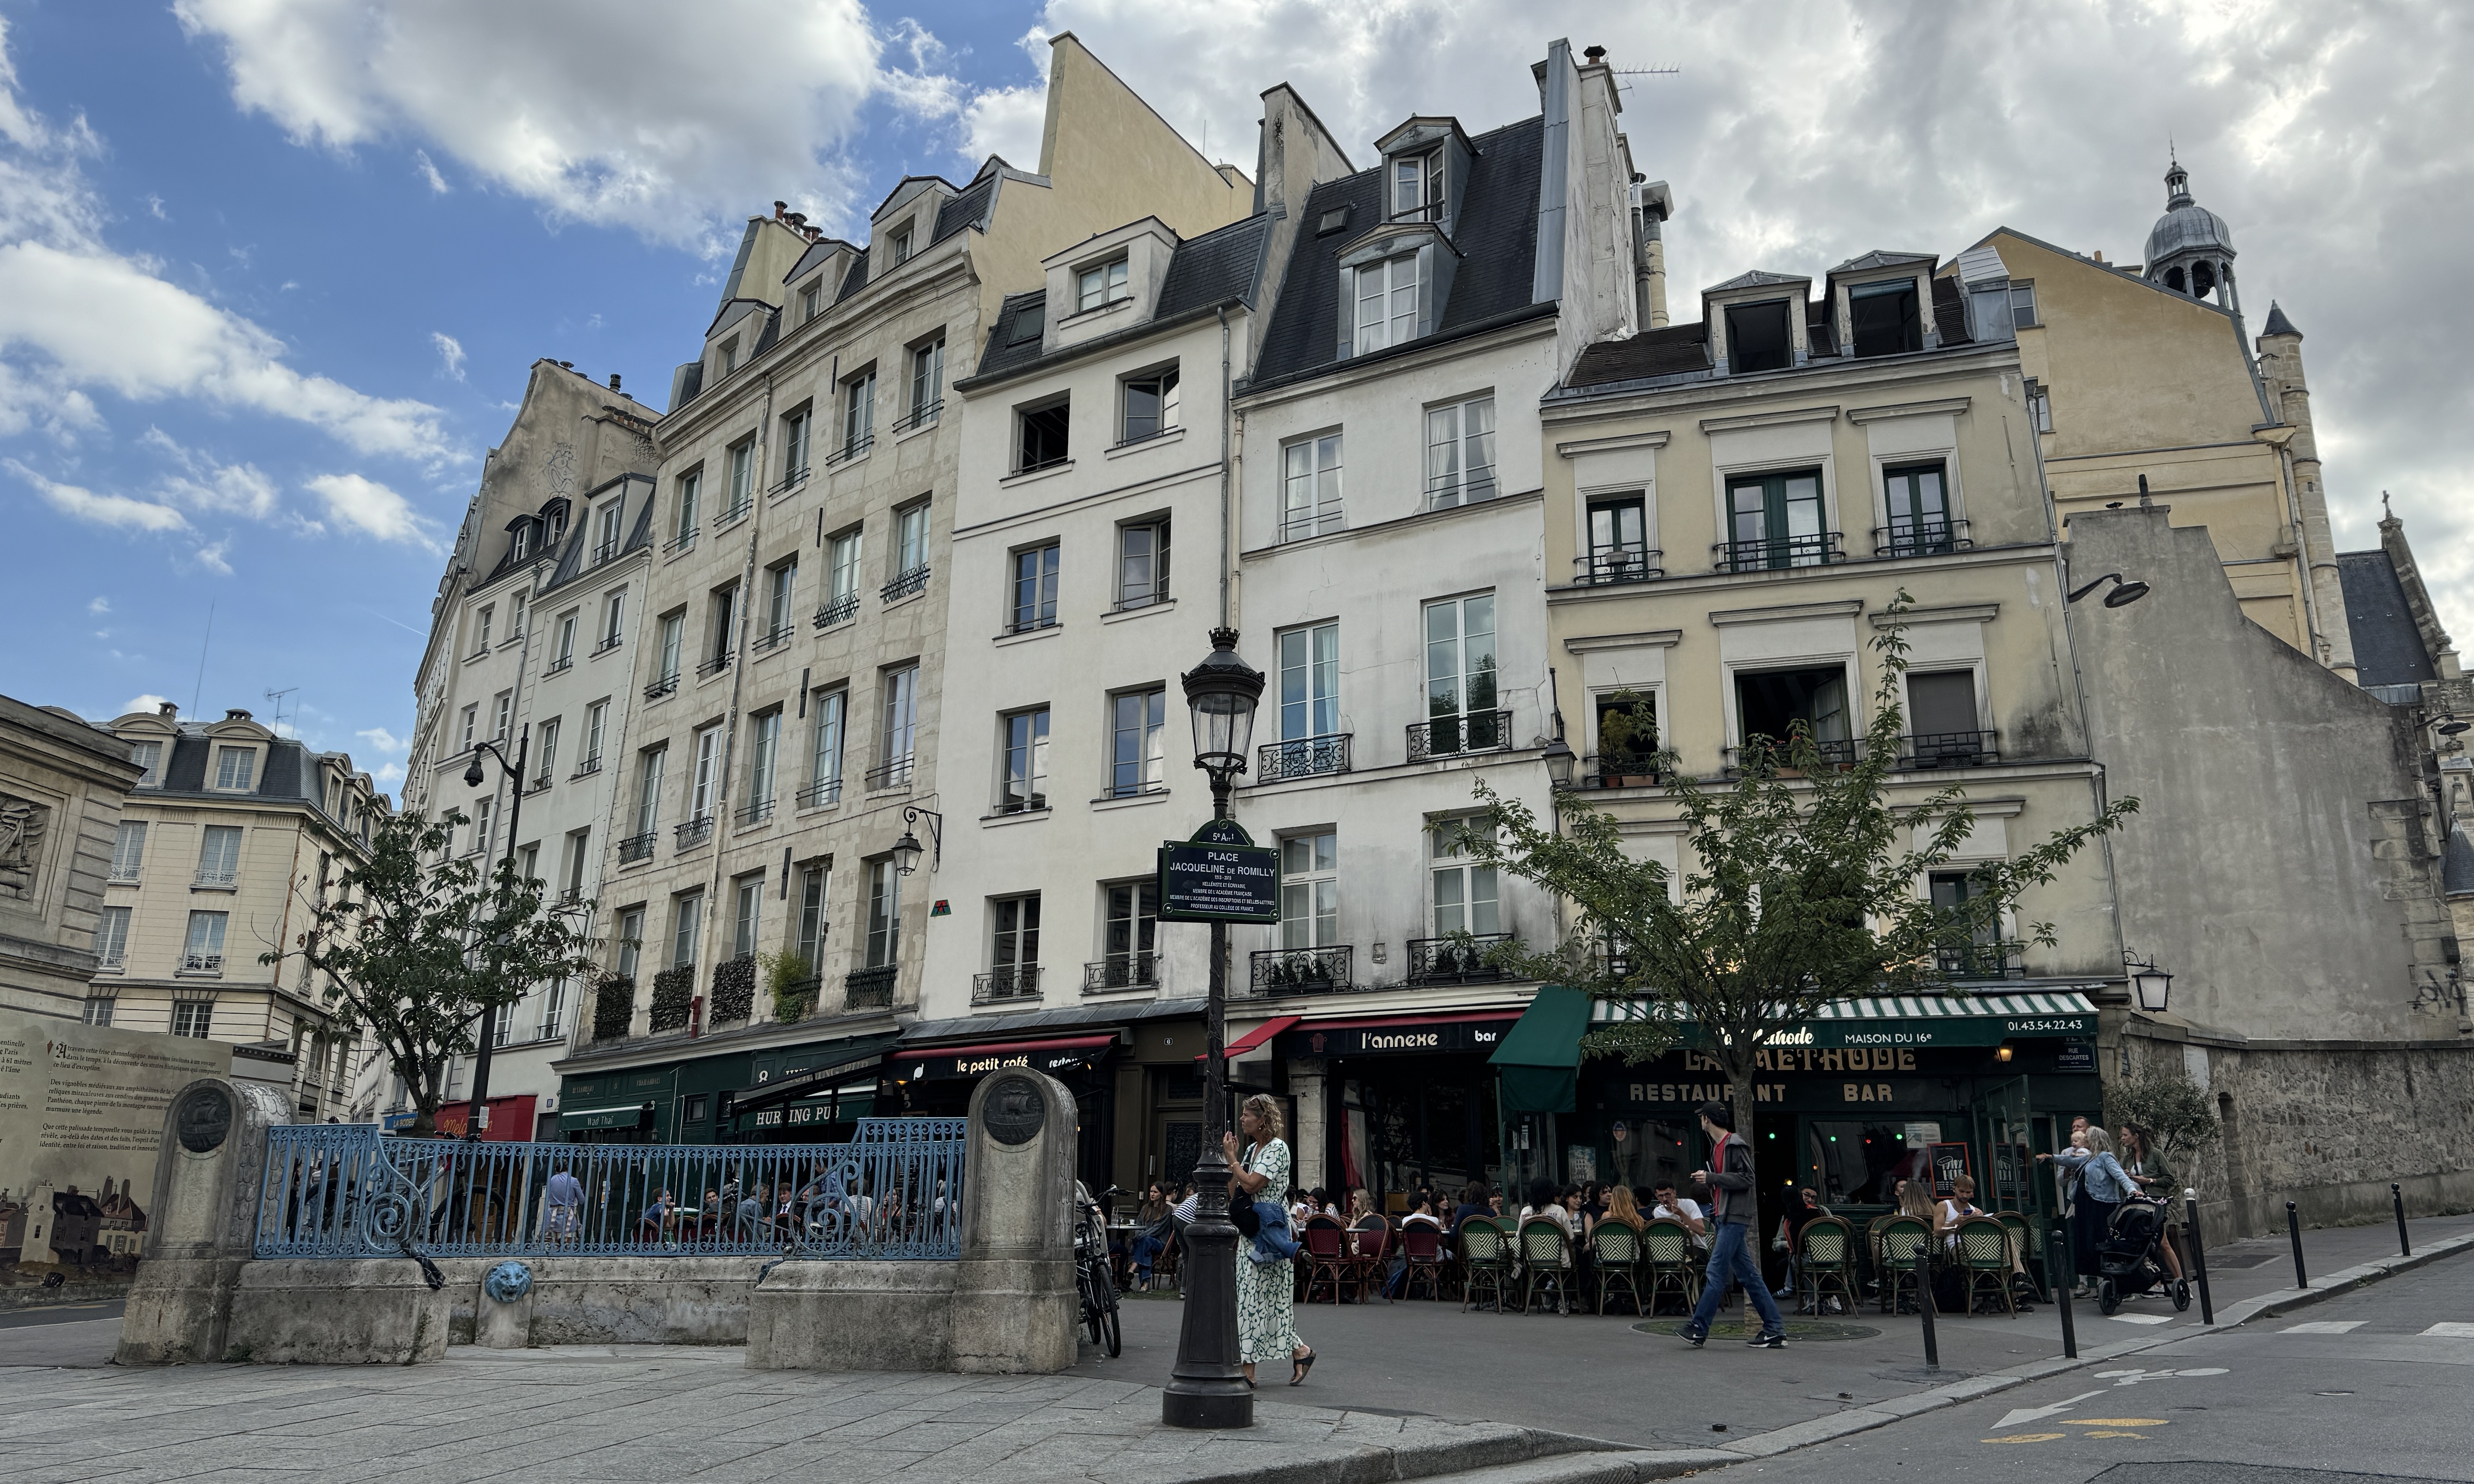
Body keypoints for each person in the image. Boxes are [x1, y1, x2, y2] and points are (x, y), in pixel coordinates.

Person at [1679, 1102, 1787, 1349]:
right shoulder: (1719, 1146)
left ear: (1707, 1120)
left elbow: (1748, 1178)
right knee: (1749, 1277)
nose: (1701, 1122)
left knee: (1716, 1272)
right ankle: (1774, 1329)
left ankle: (1699, 1328)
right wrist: (1713, 1182)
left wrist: (1712, 1178)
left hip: (1733, 1217)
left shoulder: (1733, 1144)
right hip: (1726, 1216)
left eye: (1702, 1118)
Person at [1228, 1093, 1315, 1387]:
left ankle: (1248, 1371)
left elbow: (1251, 1183)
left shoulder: (1278, 1149)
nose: (1242, 1119)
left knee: (1257, 1299)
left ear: (1262, 1118)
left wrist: (1232, 1160)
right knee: (1261, 1299)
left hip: (1269, 1231)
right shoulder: (1253, 1149)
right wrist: (1236, 1163)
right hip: (1253, 1231)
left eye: (1247, 1114)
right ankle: (1301, 1351)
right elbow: (1238, 1190)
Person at [2045, 1127, 2134, 1297]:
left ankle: (2110, 1282)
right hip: (2088, 1207)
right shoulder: (2089, 1158)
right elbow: (2069, 1161)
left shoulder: (2106, 1157)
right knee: (2089, 1243)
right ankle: (2101, 1281)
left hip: (2101, 1206)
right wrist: (2050, 1157)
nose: (2085, 1141)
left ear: (2096, 1140)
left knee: (2102, 1242)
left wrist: (2131, 1190)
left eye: (2088, 1138)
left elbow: (2120, 1176)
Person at [2118, 1125, 2186, 1282]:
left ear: (2136, 1136)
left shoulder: (2156, 1155)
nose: (2122, 1138)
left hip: (2154, 1203)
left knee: (2162, 1243)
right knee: (2139, 1242)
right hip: (2135, 1204)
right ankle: (2149, 1280)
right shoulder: (2127, 1159)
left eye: (2125, 1135)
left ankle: (2181, 1281)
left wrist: (2149, 1180)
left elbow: (2169, 1179)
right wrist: (2126, 1176)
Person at [1776, 1187, 1833, 1311]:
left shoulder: (1791, 1218)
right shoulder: (1819, 1212)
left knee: (1798, 1261)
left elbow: (1797, 1246)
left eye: (1813, 1197)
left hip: (1810, 1258)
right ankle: (1814, 1301)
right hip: (1834, 1257)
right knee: (1796, 1260)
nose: (1810, 1199)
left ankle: (1804, 1297)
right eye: (1807, 1195)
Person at [1650, 1180, 1708, 1250]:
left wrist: (1681, 1214)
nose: (1665, 1199)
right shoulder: (1658, 1211)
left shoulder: (1689, 1204)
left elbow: (1702, 1232)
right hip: (1672, 1249)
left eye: (1668, 1195)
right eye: (1661, 1196)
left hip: (1695, 1246)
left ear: (1674, 1193)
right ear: (1657, 1196)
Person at [543, 1165, 583, 1245]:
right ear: (568, 1169)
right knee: (569, 1246)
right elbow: (582, 1200)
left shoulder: (552, 1180)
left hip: (552, 1217)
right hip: (568, 1217)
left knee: (551, 1245)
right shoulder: (574, 1181)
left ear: (556, 1169)